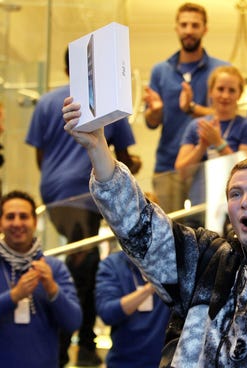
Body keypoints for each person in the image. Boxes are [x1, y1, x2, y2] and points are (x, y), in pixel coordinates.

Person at [63, 98, 247, 367]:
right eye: (235, 193)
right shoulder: (207, 259)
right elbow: (141, 228)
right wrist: (97, 147)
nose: (245, 202)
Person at [25, 48, 141, 367]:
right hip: (84, 195)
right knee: (83, 271)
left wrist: (55, 180)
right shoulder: (104, 104)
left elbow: (40, 155)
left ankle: (74, 346)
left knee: (78, 266)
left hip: (55, 195)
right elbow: (125, 158)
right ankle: (80, 348)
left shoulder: (48, 102)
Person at [144, 2, 228, 212]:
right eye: (184, 25)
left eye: (195, 25)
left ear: (205, 29)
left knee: (210, 228)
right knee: (169, 228)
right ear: (176, 28)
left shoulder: (222, 70)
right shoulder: (160, 71)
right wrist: (154, 112)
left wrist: (192, 108)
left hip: (209, 165)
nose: (189, 30)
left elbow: (227, 115)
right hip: (168, 165)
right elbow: (152, 122)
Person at [0, 190, 81, 367]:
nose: (17, 223)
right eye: (10, 216)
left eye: (23, 216)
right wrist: (13, 296)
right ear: (0, 223)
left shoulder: (54, 268)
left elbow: (73, 322)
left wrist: (52, 288)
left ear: (35, 222)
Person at [175, 65, 247, 208]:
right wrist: (202, 147)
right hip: (201, 205)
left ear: (239, 94)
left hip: (236, 206)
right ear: (211, 92)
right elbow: (182, 173)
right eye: (220, 89)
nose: (225, 96)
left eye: (232, 90)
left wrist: (219, 143)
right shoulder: (196, 126)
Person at [95, 250, 171, 368]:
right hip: (123, 361)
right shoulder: (112, 264)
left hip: (165, 361)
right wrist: (150, 287)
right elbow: (107, 313)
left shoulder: (170, 262)